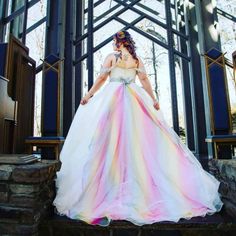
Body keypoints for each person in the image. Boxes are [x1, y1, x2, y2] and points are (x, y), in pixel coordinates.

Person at [53, 30, 223, 227]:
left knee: (108, 140)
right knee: (138, 141)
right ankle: (140, 184)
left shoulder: (111, 57)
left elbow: (101, 80)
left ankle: (109, 183)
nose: (114, 45)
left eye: (114, 41)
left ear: (117, 42)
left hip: (114, 100)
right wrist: (153, 99)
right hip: (135, 99)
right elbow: (144, 81)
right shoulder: (136, 59)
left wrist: (89, 95)